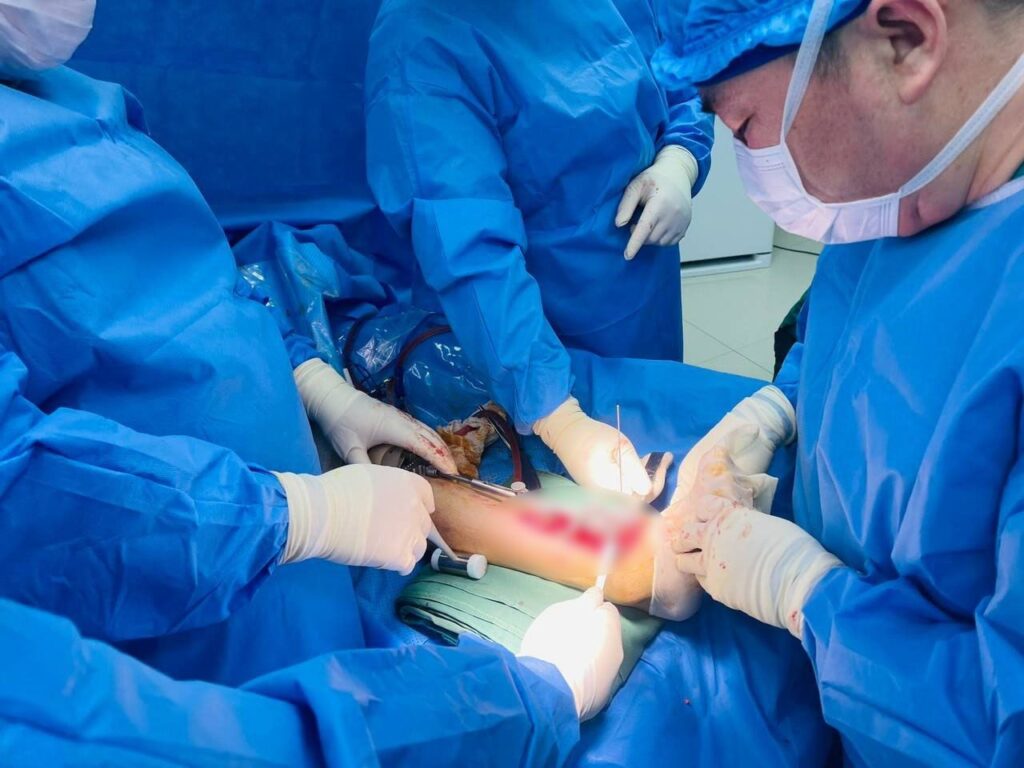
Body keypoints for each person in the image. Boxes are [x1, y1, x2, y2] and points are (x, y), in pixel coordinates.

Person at [0, 4, 627, 756]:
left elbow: (193, 276)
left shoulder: (66, 97)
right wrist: (294, 517)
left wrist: (312, 383)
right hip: (186, 596)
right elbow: (32, 497)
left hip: (278, 548)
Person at [655, 0, 1024, 764]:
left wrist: (806, 592)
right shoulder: (916, 173)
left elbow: (1004, 724)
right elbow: (860, 326)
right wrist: (781, 405)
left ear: (906, 40)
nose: (751, 167)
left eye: (743, 127)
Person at [364, 0, 716, 497]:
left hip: (641, 299)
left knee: (667, 447)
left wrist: (681, 156)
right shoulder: (423, 38)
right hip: (521, 337)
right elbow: (470, 251)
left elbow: (681, 56)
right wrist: (558, 417)